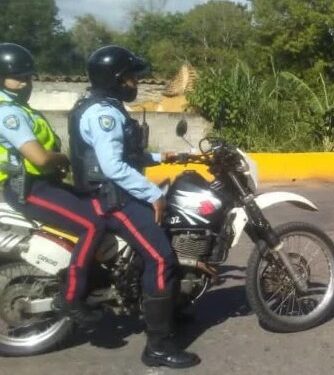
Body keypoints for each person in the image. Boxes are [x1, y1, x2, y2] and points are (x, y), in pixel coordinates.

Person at [68, 45, 199, 368]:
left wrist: (162, 157)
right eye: (129, 77)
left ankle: (168, 308)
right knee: (161, 257)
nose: (134, 83)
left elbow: (122, 156)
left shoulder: (105, 107)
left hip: (112, 193)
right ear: (114, 79)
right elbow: (113, 167)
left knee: (161, 236)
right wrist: (154, 194)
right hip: (111, 200)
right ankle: (157, 346)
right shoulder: (104, 115)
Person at [0, 43, 106, 323]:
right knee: (91, 224)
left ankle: (96, 281)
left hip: (42, 184)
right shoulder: (7, 113)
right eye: (18, 77)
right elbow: (38, 156)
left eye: (28, 76)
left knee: (99, 206)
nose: (25, 83)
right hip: (28, 188)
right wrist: (61, 159)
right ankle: (71, 297)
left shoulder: (19, 107)